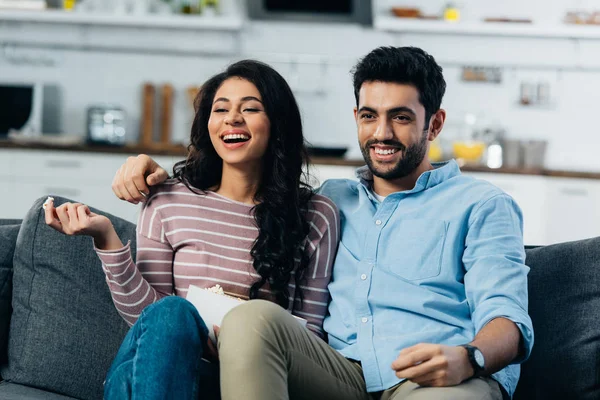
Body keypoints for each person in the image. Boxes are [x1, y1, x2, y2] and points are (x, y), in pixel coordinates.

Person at [113, 47, 533, 400]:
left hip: (431, 377)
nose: (381, 133)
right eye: (369, 116)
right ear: (356, 118)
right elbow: (238, 192)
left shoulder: (481, 204)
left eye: (401, 118)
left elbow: (508, 320)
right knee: (250, 318)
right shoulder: (329, 201)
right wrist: (155, 174)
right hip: (338, 374)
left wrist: (469, 358)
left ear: (434, 124)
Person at [44, 60, 339, 400]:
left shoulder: (316, 215)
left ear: (277, 123)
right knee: (173, 312)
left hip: (248, 379)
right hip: (155, 371)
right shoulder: (169, 199)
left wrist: (248, 344)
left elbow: (311, 336)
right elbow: (150, 319)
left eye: (251, 108)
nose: (232, 118)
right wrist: (106, 238)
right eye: (221, 109)